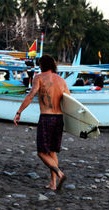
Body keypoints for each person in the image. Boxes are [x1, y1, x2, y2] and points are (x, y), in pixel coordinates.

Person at [14, 54, 70, 191]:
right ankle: (53, 183)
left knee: (41, 152)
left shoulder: (39, 78)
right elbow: (69, 101)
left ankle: (59, 173)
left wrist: (19, 112)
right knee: (52, 151)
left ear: (42, 65)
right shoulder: (61, 80)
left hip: (47, 117)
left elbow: (31, 95)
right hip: (59, 119)